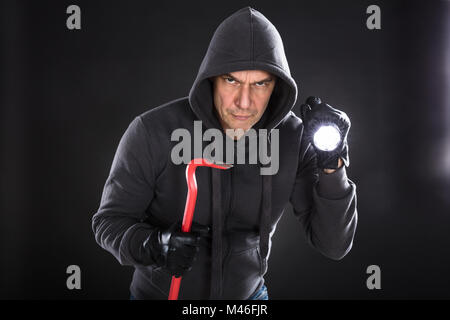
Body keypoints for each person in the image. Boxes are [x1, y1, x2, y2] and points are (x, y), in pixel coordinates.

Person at [92, 6, 357, 300]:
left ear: (277, 87)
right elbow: (109, 222)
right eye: (232, 80)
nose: (244, 102)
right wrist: (153, 244)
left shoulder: (294, 137)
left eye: (260, 83)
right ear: (212, 79)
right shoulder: (152, 130)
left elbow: (334, 245)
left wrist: (333, 164)